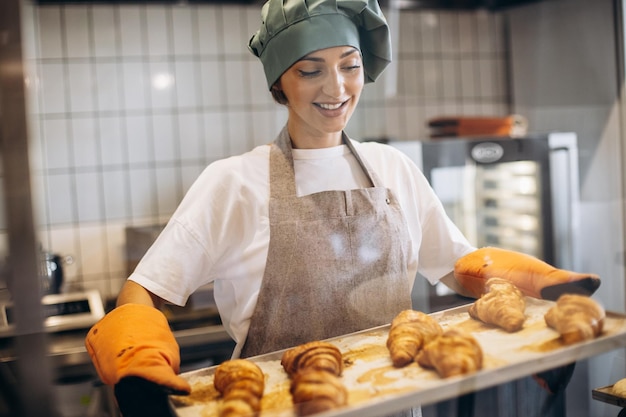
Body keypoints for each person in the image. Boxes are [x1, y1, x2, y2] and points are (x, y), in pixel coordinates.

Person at [85, 1, 600, 416]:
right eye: (311, 71)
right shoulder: (235, 182)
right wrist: (139, 364)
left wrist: (545, 288)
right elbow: (143, 289)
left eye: (349, 67)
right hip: (281, 405)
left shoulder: (391, 167)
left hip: (395, 398)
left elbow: (461, 266)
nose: (336, 89)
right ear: (278, 84)